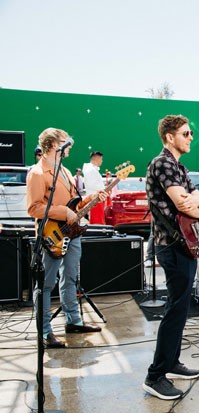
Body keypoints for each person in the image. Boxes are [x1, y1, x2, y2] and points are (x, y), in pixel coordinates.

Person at [143, 114, 199, 400]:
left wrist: (198, 204)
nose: (191, 137)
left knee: (181, 307)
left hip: (184, 244)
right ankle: (155, 375)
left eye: (191, 133)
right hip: (172, 244)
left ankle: (171, 362)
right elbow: (183, 203)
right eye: (186, 133)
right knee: (175, 309)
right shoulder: (162, 163)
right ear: (170, 137)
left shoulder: (179, 167)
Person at [26, 128, 108, 348]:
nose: (70, 145)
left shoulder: (65, 171)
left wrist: (91, 198)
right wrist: (64, 213)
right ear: (54, 144)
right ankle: (45, 331)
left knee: (70, 278)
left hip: (71, 233)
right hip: (51, 234)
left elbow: (74, 204)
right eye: (65, 141)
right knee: (46, 284)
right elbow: (34, 208)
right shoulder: (37, 173)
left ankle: (73, 321)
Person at [82, 151, 106, 224]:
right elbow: (91, 184)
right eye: (101, 159)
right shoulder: (90, 170)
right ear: (97, 159)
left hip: (97, 198)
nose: (102, 161)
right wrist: (103, 188)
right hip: (95, 199)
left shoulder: (92, 169)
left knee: (98, 221)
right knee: (96, 222)